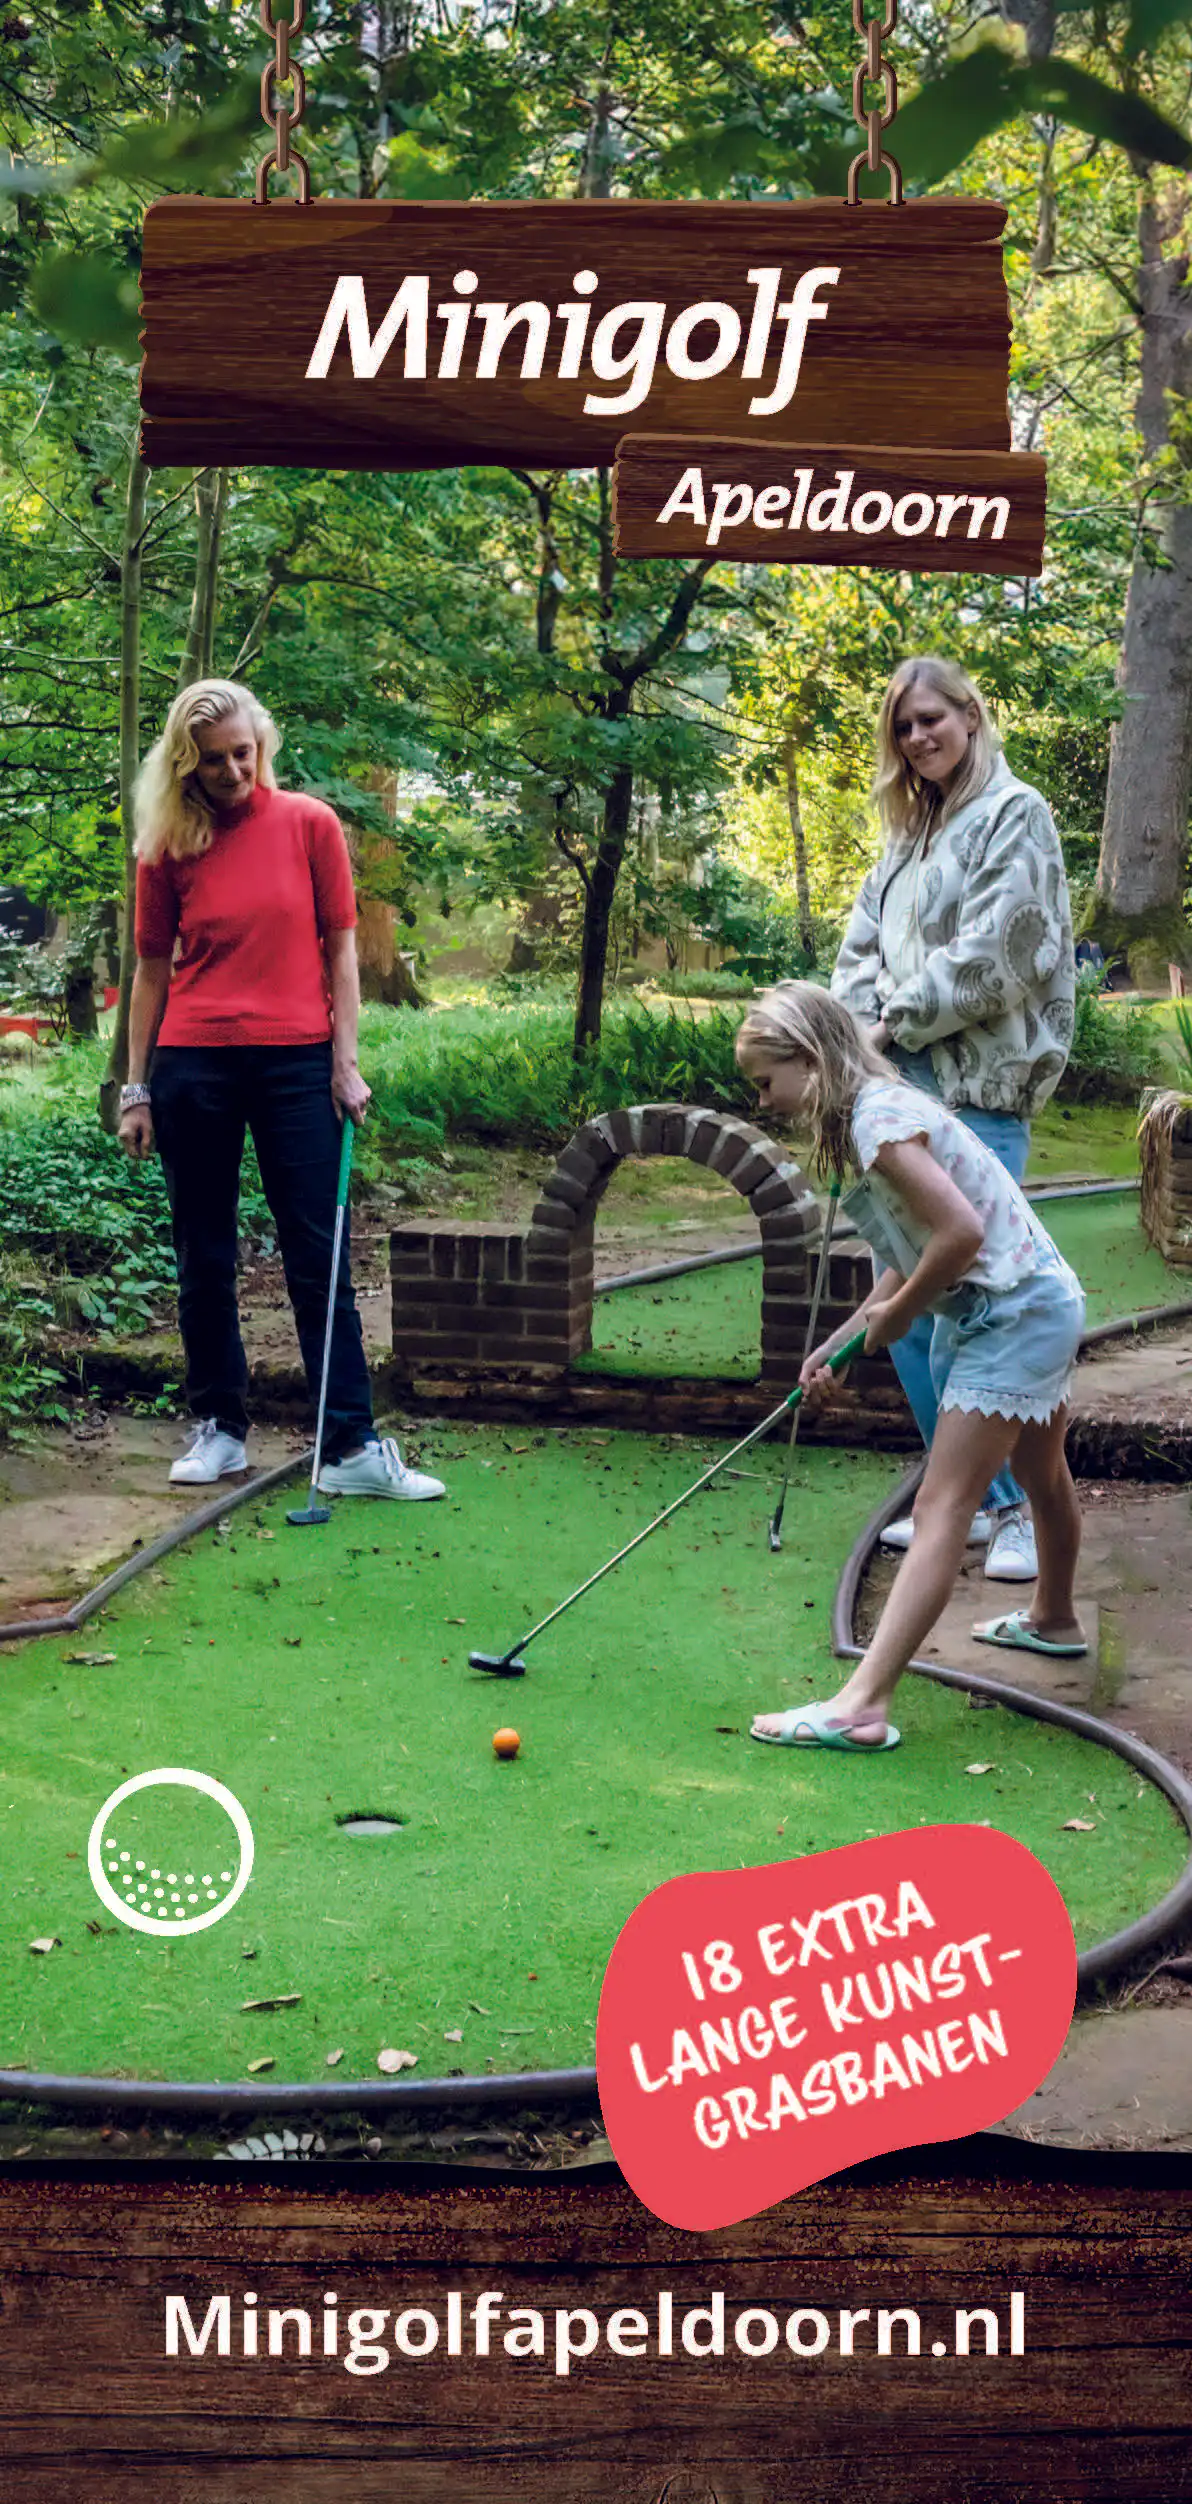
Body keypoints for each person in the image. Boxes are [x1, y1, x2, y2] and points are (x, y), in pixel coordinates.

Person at [117, 676, 445, 1503]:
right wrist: (135, 1089)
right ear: (184, 765)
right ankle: (221, 1430)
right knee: (205, 1253)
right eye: (212, 760)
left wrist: (345, 1060)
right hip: (193, 1065)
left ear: (263, 745)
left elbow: (341, 953)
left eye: (243, 752)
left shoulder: (309, 823)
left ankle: (350, 1447)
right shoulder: (164, 846)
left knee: (318, 1254)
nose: (232, 772)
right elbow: (149, 972)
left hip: (300, 1063)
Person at [736, 983, 1086, 1751]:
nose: (764, 1102)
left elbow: (957, 1234)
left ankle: (862, 1703)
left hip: (1013, 1314)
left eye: (766, 1083)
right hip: (1036, 1299)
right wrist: (846, 1338)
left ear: (808, 1058)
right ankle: (1054, 1619)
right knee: (1042, 1477)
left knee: (942, 1506)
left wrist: (893, 1321)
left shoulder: (879, 1120)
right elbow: (917, 1248)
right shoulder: (880, 1110)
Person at [831, 655, 1075, 1584]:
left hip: (979, 1088)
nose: (918, 737)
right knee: (904, 1299)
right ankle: (964, 1500)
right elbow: (859, 943)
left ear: (970, 715)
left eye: (931, 718)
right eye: (903, 727)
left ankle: (1010, 1513)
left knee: (979, 1307)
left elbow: (1004, 953)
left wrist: (892, 1021)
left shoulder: (1018, 814)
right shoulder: (907, 836)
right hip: (899, 1082)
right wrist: (855, 1029)